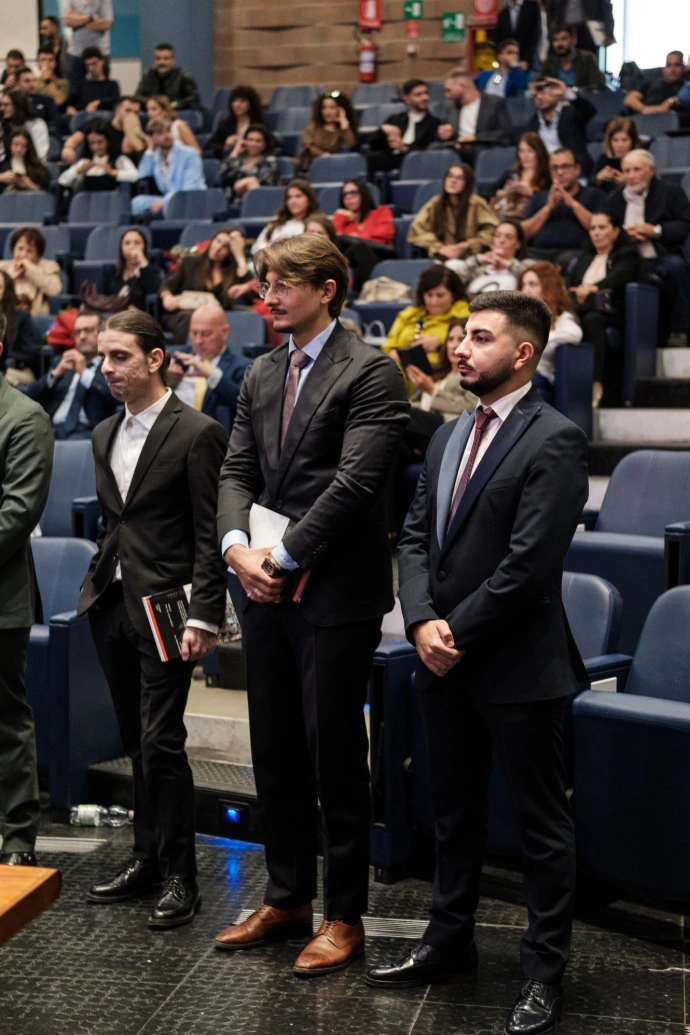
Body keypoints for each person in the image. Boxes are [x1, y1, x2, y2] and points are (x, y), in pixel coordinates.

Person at [369, 291, 589, 1035]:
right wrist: (423, 618)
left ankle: (543, 971)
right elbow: (412, 540)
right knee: (451, 812)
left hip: (519, 665)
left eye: (480, 338)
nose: (459, 348)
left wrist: (449, 629)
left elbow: (529, 565)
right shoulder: (447, 433)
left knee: (539, 827)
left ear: (523, 353)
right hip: (444, 660)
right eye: (460, 336)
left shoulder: (553, 437)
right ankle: (447, 940)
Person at [213, 234, 409, 974]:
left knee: (335, 757)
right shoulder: (261, 371)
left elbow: (356, 486)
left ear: (329, 287)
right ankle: (287, 894)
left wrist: (285, 556)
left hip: (332, 590)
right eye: (264, 281)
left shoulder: (371, 371)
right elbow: (237, 468)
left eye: (284, 282)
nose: (268, 294)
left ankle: (344, 913)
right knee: (276, 751)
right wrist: (239, 550)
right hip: (263, 588)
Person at [77, 310, 227, 928]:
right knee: (135, 741)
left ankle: (180, 877)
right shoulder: (103, 432)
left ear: (156, 358)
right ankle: (145, 859)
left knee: (163, 741)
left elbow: (212, 534)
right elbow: (120, 522)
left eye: (120, 357)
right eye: (104, 357)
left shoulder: (197, 432)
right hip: (111, 603)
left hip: (168, 605)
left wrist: (205, 614)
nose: (108, 368)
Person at [0, 308, 54, 868]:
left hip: (0, 598)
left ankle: (17, 838)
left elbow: (16, 514)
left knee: (5, 720)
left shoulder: (24, 417)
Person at [607, 148, 690, 347]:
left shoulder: (670, 192)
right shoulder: (614, 198)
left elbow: (685, 225)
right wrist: (626, 236)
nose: (631, 176)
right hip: (626, 258)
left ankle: (680, 331)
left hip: (659, 254)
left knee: (677, 268)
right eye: (626, 171)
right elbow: (608, 229)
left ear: (651, 171)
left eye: (637, 170)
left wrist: (655, 231)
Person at [564, 211, 639, 406]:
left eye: (602, 228)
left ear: (615, 231)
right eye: (592, 228)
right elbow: (570, 283)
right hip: (580, 308)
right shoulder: (584, 258)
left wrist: (593, 288)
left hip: (609, 312)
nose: (596, 233)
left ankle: (595, 382)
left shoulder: (626, 254)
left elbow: (621, 275)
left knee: (591, 320)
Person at [24, 310, 119, 438]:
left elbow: (116, 397)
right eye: (77, 332)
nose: (82, 336)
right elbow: (30, 398)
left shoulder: (111, 364)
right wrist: (55, 374)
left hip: (89, 432)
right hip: (51, 430)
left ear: (102, 334)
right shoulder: (61, 362)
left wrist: (84, 373)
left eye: (88, 330)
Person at [160, 225, 251, 343]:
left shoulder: (234, 272)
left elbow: (250, 294)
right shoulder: (190, 262)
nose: (218, 248)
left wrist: (239, 256)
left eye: (226, 247)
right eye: (217, 241)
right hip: (183, 315)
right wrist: (167, 297)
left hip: (216, 320)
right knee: (193, 318)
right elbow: (166, 286)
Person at [168, 303, 250, 429]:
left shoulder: (241, 367)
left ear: (224, 332)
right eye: (194, 333)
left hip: (209, 440)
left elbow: (245, 405)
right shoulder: (175, 358)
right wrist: (162, 376)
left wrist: (212, 375)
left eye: (206, 334)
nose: (198, 341)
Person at [382, 265, 470, 379]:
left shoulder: (465, 315)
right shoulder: (408, 315)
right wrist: (394, 354)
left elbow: (472, 347)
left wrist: (441, 343)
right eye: (429, 295)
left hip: (444, 379)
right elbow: (387, 347)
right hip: (401, 377)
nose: (434, 301)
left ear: (453, 295)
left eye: (440, 295)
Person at [522, 147, 607, 263]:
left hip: (576, 252)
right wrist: (548, 208)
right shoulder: (538, 197)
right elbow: (523, 234)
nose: (560, 172)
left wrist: (572, 203)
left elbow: (602, 230)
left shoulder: (594, 195)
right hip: (538, 253)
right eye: (554, 168)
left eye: (565, 166)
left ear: (577, 169)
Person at [518, 262, 583, 405]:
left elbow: (574, 334)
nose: (526, 290)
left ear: (549, 288)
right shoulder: (517, 319)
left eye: (532, 284)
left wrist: (534, 345)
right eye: (523, 285)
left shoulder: (561, 318)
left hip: (538, 376)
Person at [408, 162, 498, 260]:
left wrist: (467, 245)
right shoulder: (435, 204)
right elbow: (418, 230)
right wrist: (439, 248)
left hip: (471, 256)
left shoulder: (477, 203)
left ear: (467, 183)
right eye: (450, 176)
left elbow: (492, 230)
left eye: (459, 178)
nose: (453, 181)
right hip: (440, 257)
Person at [405, 317, 478, 422]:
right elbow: (421, 405)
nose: (454, 345)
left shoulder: (474, 374)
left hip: (448, 425)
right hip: (423, 421)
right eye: (450, 339)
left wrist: (432, 390)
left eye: (461, 339)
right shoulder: (439, 372)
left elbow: (472, 407)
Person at [131, 118, 206, 218]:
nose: (166, 136)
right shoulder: (155, 156)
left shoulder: (189, 153)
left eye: (168, 131)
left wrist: (165, 201)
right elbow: (143, 174)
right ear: (152, 138)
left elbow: (191, 187)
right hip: (168, 198)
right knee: (137, 203)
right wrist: (150, 149)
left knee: (168, 205)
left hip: (192, 197)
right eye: (160, 133)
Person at [366, 79, 441, 176]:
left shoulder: (434, 123)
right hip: (392, 158)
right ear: (406, 99)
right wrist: (383, 129)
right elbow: (372, 143)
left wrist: (404, 148)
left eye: (426, 93)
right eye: (418, 95)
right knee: (365, 158)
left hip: (417, 163)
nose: (425, 97)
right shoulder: (395, 119)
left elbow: (429, 152)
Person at [434, 71, 512, 156]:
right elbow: (445, 134)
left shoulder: (494, 103)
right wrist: (444, 134)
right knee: (435, 147)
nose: (446, 95)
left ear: (462, 86)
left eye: (449, 90)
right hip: (457, 148)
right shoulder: (451, 108)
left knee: (479, 150)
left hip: (482, 147)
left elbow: (505, 132)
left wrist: (475, 138)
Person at [526, 76, 595, 173]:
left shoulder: (571, 114)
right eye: (536, 94)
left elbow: (589, 111)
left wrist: (566, 92)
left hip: (574, 169)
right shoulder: (533, 123)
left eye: (544, 92)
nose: (540, 97)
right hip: (547, 171)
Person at [449, 219, 534, 294]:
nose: (501, 240)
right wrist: (477, 260)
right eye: (498, 236)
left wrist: (508, 264)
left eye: (508, 237)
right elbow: (454, 284)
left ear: (518, 244)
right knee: (452, 263)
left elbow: (531, 284)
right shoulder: (479, 267)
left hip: (508, 309)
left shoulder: (526, 265)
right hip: (472, 307)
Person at [61, 95, 146, 163]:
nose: (131, 116)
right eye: (128, 110)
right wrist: (68, 148)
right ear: (117, 110)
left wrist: (131, 131)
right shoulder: (98, 124)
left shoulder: (137, 134)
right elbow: (74, 139)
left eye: (135, 113)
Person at [250, 179, 321, 257]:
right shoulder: (276, 221)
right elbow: (256, 248)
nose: (293, 201)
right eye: (289, 197)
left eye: (298, 196)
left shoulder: (316, 224)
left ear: (309, 199)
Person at [489, 131, 551, 219]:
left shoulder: (547, 175)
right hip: (508, 214)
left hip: (533, 218)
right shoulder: (511, 173)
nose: (525, 156)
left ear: (539, 152)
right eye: (521, 151)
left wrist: (532, 193)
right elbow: (488, 193)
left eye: (530, 151)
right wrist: (504, 192)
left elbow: (551, 199)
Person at [0, 227, 62, 315]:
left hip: (34, 317)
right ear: (13, 250)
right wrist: (9, 278)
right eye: (20, 249)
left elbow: (55, 289)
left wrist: (30, 270)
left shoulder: (49, 267)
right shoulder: (2, 267)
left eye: (29, 251)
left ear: (38, 255)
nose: (23, 255)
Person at [58, 122, 138, 190]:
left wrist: (112, 172)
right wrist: (79, 170)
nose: (96, 147)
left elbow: (136, 176)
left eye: (100, 142)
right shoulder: (85, 162)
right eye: (92, 143)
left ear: (108, 141)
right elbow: (62, 181)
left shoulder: (119, 160)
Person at [104, 228, 163, 311]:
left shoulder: (153, 272)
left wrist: (143, 263)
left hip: (138, 319)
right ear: (121, 248)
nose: (132, 247)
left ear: (144, 247)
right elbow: (99, 297)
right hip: (111, 315)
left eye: (137, 243)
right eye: (127, 243)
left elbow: (155, 292)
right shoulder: (109, 271)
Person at [298, 91, 358, 172]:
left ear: (340, 109)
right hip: (313, 163)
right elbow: (308, 145)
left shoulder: (343, 129)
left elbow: (350, 144)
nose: (328, 111)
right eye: (324, 108)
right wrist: (323, 155)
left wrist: (344, 124)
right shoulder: (314, 125)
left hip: (336, 165)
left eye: (332, 107)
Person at [219, 123, 278, 203]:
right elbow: (223, 176)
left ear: (264, 145)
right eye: (250, 140)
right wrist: (236, 151)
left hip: (258, 201)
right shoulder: (238, 159)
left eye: (258, 141)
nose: (253, 144)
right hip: (233, 202)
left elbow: (265, 183)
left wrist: (245, 183)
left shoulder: (269, 161)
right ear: (244, 141)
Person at [330, 179, 395, 249]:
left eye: (354, 192)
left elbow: (380, 240)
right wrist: (338, 218)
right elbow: (336, 245)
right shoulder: (343, 219)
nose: (348, 197)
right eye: (345, 194)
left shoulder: (381, 212)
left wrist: (354, 239)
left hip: (380, 254)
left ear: (364, 194)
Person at [0, 272, 40, 386]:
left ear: (7, 292)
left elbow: (31, 354)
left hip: (19, 370)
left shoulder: (22, 318)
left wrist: (7, 356)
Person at [63, 0, 113, 87]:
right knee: (74, 91)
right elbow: (67, 21)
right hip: (76, 53)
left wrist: (78, 21)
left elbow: (106, 24)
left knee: (102, 88)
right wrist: (90, 17)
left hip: (100, 52)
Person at [135, 43, 200, 110]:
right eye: (158, 58)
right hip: (152, 113)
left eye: (166, 58)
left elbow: (193, 98)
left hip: (176, 112)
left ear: (173, 60)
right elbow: (138, 96)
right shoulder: (148, 75)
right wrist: (153, 103)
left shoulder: (182, 75)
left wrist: (172, 105)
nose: (161, 62)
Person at [539, 24, 607, 89]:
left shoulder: (587, 58)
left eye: (564, 38)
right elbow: (538, 83)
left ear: (574, 40)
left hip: (582, 99)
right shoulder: (549, 62)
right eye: (555, 39)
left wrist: (572, 91)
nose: (559, 44)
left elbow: (599, 85)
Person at [207, 85, 266, 159]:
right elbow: (210, 145)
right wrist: (226, 145)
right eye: (234, 101)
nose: (237, 105)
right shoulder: (225, 124)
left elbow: (270, 142)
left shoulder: (259, 123)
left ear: (251, 104)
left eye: (242, 101)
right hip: (230, 160)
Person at [623, 51, 688, 116]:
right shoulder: (650, 83)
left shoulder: (686, 88)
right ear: (664, 68)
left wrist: (670, 102)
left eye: (677, 65)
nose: (672, 70)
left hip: (669, 120)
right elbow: (629, 99)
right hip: (642, 118)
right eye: (669, 65)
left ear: (684, 67)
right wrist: (644, 109)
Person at [545, 0, 615, 53]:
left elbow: (606, 8)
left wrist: (609, 33)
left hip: (588, 30)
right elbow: (550, 9)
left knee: (588, 61)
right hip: (562, 29)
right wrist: (550, 30)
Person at [592, 117, 640, 194]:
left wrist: (629, 182)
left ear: (633, 142)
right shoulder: (603, 159)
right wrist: (598, 179)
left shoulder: (640, 160)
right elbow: (588, 190)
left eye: (624, 140)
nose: (620, 145)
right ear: (609, 142)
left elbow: (649, 189)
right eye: (615, 140)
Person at [67, 46, 120, 113]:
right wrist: (71, 109)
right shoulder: (82, 86)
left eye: (94, 64)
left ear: (102, 61)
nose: (91, 69)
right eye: (87, 65)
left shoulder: (112, 85)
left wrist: (99, 102)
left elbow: (116, 101)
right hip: (84, 118)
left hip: (105, 118)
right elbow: (72, 104)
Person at [0, 90, 49, 163]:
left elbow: (40, 154)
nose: (2, 109)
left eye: (6, 105)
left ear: (18, 105)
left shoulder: (37, 125)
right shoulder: (3, 124)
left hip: (30, 167)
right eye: (1, 105)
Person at [494, 0, 542, 70]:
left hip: (529, 64)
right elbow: (500, 41)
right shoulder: (503, 14)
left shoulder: (533, 7)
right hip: (509, 66)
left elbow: (536, 37)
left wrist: (526, 60)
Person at [0, 129, 50, 193]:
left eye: (23, 146)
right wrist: (2, 178)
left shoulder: (37, 168)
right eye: (16, 144)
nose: (19, 149)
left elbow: (47, 194)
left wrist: (31, 186)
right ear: (9, 145)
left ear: (28, 148)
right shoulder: (2, 165)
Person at [15, 67, 60, 133]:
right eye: (27, 81)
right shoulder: (14, 102)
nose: (32, 84)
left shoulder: (47, 100)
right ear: (18, 84)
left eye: (34, 80)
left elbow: (56, 123)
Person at [35, 45, 70, 110]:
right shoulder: (33, 81)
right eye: (43, 60)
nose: (47, 64)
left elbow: (59, 101)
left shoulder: (63, 83)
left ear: (55, 63)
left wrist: (48, 80)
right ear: (38, 63)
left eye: (50, 60)